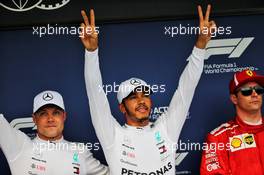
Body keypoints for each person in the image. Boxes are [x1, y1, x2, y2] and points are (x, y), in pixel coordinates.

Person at [80, 5, 215, 175]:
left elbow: (186, 88)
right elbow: (95, 95)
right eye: (133, 97)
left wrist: (201, 46)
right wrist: (91, 52)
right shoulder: (113, 136)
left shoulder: (166, 129)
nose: (141, 100)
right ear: (122, 107)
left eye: (145, 95)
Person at [0, 90, 109, 175]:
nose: (50, 119)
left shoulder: (80, 151)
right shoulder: (19, 146)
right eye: (43, 114)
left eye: (56, 113)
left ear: (64, 116)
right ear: (34, 118)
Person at [200, 69, 264, 175]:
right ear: (234, 99)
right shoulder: (218, 137)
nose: (254, 94)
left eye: (259, 90)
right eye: (247, 91)